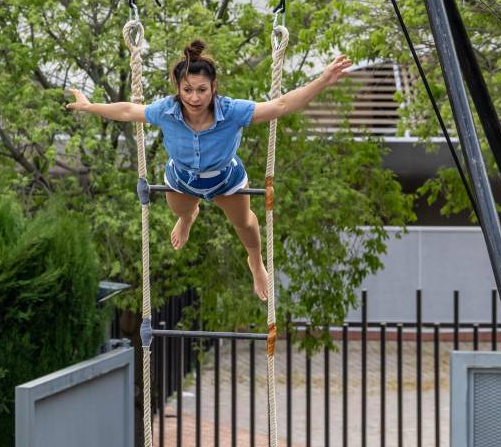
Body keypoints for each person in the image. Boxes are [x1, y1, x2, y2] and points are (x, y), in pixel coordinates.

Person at [65, 39, 352, 300]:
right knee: (180, 210)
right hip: (182, 178)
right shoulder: (166, 111)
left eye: (202, 90)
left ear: (213, 87)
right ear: (178, 89)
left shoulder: (232, 111)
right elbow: (129, 111)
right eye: (187, 90)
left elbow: (281, 104)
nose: (194, 98)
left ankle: (255, 260)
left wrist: (323, 80)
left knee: (245, 224)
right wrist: (90, 107)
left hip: (225, 178)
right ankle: (189, 216)